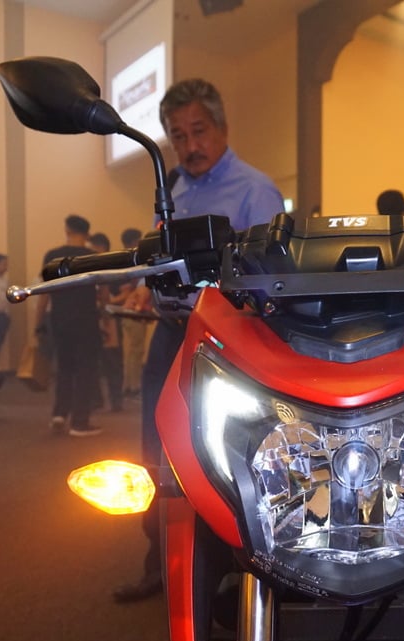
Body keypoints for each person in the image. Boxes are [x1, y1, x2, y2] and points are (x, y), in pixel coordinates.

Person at [112, 77, 285, 603]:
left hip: (229, 341)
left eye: (199, 130)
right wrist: (147, 286)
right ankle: (160, 562)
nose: (190, 145)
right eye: (177, 135)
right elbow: (163, 258)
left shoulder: (256, 190)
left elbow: (271, 278)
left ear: (222, 128)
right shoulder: (175, 188)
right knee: (156, 448)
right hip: (170, 335)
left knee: (226, 451)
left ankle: (234, 568)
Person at [35, 214, 102, 437]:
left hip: (59, 319)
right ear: (87, 234)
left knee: (64, 368)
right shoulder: (93, 257)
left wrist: (38, 324)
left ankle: (59, 414)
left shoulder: (52, 256)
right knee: (85, 370)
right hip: (86, 320)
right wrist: (106, 314)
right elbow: (102, 291)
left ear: (67, 230)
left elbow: (44, 292)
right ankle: (79, 422)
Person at [86, 232, 124, 413]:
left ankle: (116, 400)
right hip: (92, 317)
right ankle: (96, 399)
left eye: (93, 248)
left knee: (112, 361)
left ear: (102, 248)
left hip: (110, 318)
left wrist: (109, 304)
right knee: (92, 361)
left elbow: (125, 292)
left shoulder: (113, 268)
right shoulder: (89, 268)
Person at [118, 227, 148, 399]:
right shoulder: (132, 260)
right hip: (133, 310)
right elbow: (128, 289)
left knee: (131, 350)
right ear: (133, 242)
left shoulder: (124, 259)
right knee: (136, 350)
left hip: (129, 310)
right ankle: (133, 386)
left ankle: (128, 385)